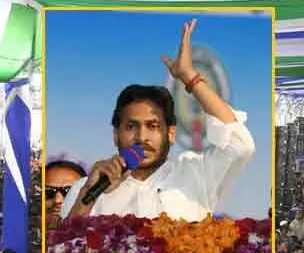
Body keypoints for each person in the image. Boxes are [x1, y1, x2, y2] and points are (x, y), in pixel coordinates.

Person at [62, 19, 255, 221]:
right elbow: (62, 248)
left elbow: (240, 145)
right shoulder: (87, 187)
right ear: (115, 134)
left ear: (171, 134)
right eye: (131, 126)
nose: (141, 137)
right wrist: (88, 196)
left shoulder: (195, 175)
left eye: (152, 126)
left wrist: (189, 76)